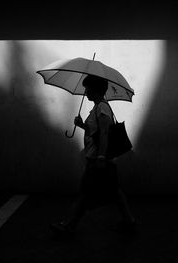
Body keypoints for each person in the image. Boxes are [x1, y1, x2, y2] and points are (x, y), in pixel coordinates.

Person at [50, 75, 136, 236]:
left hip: (98, 160)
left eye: (87, 88)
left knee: (85, 193)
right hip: (101, 159)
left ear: (95, 89)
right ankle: (129, 221)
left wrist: (101, 157)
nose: (85, 92)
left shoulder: (102, 108)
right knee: (115, 191)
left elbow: (104, 133)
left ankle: (68, 225)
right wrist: (82, 125)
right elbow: (95, 132)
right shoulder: (98, 107)